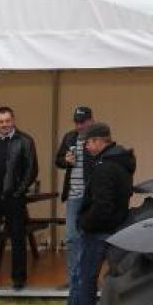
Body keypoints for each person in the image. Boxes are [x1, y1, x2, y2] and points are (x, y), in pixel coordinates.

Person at [43, 122, 135, 305]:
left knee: (83, 279)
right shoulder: (120, 161)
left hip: (98, 231)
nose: (86, 148)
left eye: (88, 143)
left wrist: (84, 224)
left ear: (98, 141)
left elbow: (102, 206)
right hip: (114, 228)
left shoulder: (105, 166)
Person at [0, 105, 38, 290]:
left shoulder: (25, 141)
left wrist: (18, 192)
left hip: (14, 198)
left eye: (7, 121)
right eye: (1, 121)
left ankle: (19, 279)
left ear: (13, 120)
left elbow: (32, 169)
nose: (4, 124)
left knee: (18, 239)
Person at [55, 105, 95, 290]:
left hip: (91, 196)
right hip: (72, 195)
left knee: (91, 237)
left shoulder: (96, 138)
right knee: (71, 236)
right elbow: (58, 160)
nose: (79, 126)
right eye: (77, 122)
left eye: (83, 122)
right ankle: (73, 280)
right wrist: (66, 161)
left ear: (91, 120)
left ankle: (87, 281)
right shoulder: (69, 137)